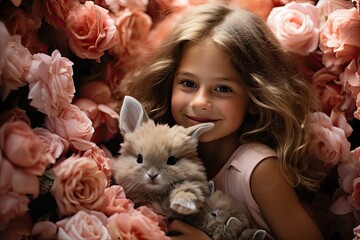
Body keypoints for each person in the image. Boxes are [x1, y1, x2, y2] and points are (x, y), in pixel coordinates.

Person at [122, 3, 325, 240]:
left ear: (254, 97)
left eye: (222, 88)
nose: (200, 102)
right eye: (188, 83)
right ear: (169, 82)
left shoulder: (258, 170)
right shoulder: (154, 154)